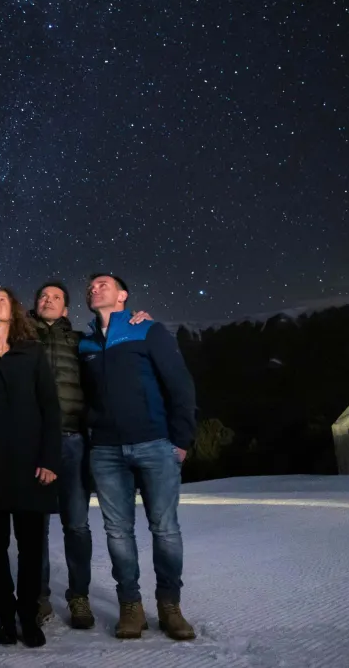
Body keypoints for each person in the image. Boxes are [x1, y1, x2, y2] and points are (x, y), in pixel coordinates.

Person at [0, 239, 149, 629]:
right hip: (27, 443)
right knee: (32, 528)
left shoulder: (83, 340)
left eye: (56, 297)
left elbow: (113, 352)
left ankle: (79, 597)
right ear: (31, 306)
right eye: (42, 296)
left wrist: (133, 319)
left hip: (71, 439)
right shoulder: (24, 339)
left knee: (76, 524)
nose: (48, 300)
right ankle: (36, 599)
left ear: (67, 308)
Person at [80, 273, 197, 641]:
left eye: (103, 285)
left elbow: (179, 383)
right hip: (105, 450)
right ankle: (130, 606)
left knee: (165, 529)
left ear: (123, 296)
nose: (94, 288)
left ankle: (169, 605)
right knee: (117, 532)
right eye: (91, 287)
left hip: (155, 444)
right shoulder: (84, 343)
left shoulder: (147, 330)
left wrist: (182, 439)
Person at [0, 288, 62, 648]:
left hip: (31, 464)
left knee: (31, 548)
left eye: (1, 300)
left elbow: (50, 407)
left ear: (15, 310)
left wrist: (49, 459)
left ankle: (28, 616)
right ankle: (5, 617)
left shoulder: (32, 352)